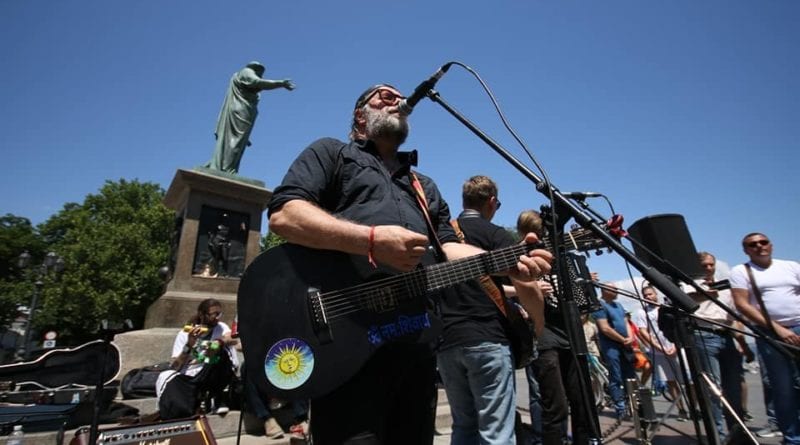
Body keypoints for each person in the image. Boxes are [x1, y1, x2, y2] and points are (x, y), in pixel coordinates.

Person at [267, 83, 552, 444]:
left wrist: (506, 262)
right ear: (360, 116)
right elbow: (284, 215)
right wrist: (371, 240)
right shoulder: (331, 153)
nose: (396, 99)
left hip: (415, 348)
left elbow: (450, 250)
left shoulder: (425, 186)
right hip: (346, 346)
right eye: (383, 95)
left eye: (398, 96)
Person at [436, 175, 544, 444]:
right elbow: (526, 284)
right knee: (496, 432)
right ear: (492, 202)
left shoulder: (442, 235)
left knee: (464, 427)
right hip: (487, 336)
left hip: (447, 341)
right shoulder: (494, 234)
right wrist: (539, 325)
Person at [517, 209, 589, 445]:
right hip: (542, 333)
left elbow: (581, 299)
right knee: (554, 403)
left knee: (581, 400)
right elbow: (508, 294)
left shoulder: (561, 257)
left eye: (543, 233)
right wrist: (533, 288)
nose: (540, 238)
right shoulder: (517, 256)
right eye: (536, 233)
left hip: (569, 331)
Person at [729, 233, 800, 444]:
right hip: (770, 333)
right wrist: (778, 329)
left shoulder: (791, 266)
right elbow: (743, 305)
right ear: (746, 250)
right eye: (753, 244)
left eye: (763, 242)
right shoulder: (742, 272)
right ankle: (793, 437)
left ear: (771, 245)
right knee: (783, 387)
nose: (759, 246)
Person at [685, 251, 752, 437]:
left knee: (734, 386)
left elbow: (733, 319)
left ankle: (737, 431)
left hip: (726, 336)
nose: (708, 268)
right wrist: (705, 294)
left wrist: (744, 345)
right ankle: (718, 434)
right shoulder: (688, 285)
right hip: (703, 335)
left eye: (710, 265)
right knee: (713, 388)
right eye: (704, 265)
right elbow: (686, 300)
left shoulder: (726, 287)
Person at [205, 61, 295, 174]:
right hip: (240, 111)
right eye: (260, 73)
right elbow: (257, 82)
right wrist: (280, 83)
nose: (261, 75)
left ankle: (224, 166)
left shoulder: (241, 75)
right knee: (235, 142)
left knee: (234, 141)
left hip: (241, 111)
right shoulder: (247, 71)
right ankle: (226, 169)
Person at [156, 298, 239, 416]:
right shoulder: (184, 334)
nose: (217, 317)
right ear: (202, 314)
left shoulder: (220, 327)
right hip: (194, 374)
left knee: (218, 349)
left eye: (219, 314)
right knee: (166, 376)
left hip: (217, 371)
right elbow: (175, 366)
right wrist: (189, 345)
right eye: (213, 314)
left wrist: (219, 341)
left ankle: (215, 396)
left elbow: (233, 338)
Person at [633, 286, 688, 421]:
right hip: (659, 352)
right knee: (671, 382)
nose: (648, 297)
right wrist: (659, 347)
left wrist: (675, 345)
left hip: (676, 348)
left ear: (655, 293)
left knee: (689, 380)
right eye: (645, 295)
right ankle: (681, 409)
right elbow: (643, 332)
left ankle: (695, 407)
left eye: (650, 294)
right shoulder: (642, 312)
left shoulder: (667, 307)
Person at [593, 283, 637, 419]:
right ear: (605, 290)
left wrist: (630, 337)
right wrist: (622, 339)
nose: (617, 291)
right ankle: (620, 406)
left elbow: (626, 323)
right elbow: (604, 328)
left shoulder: (619, 306)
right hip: (611, 346)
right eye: (614, 289)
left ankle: (633, 405)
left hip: (626, 346)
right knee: (616, 376)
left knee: (630, 375)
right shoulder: (600, 305)